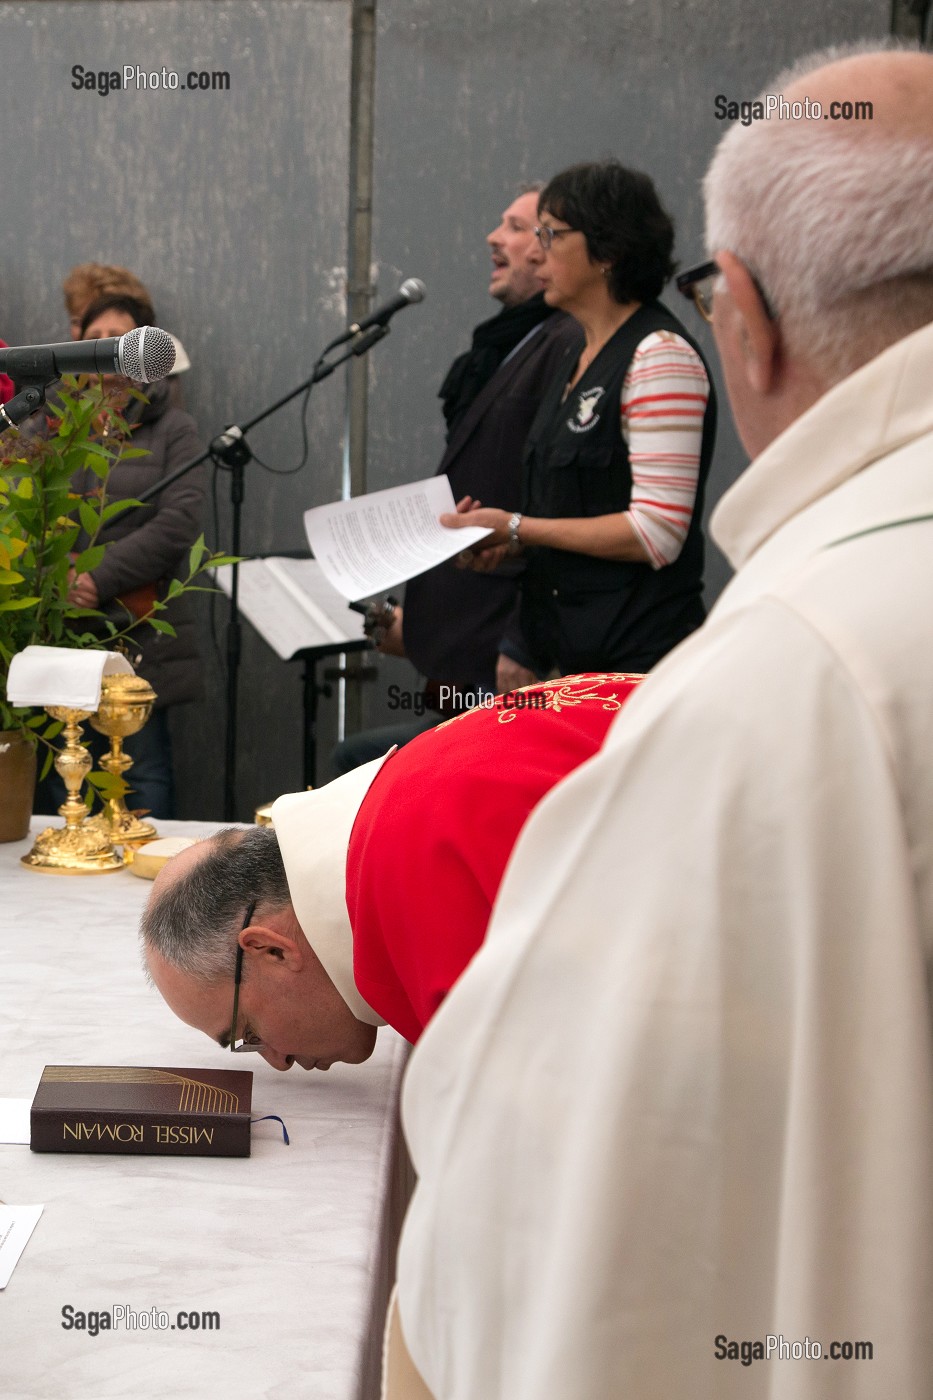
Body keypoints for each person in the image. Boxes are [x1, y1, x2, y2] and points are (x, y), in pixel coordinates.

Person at [388, 46, 933, 1400]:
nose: (521, 243)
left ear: (738, 318)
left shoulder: (784, 684)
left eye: (546, 228)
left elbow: (589, 1188)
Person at [141, 673, 641, 1062]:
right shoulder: (398, 804)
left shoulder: (421, 900)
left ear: (271, 949)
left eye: (248, 1033)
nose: (277, 1061)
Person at [332, 187, 581, 774]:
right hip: (459, 647)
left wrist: (520, 641)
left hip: (501, 652)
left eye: (518, 227)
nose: (495, 238)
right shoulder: (512, 342)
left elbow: (543, 501)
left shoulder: (566, 342)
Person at [443, 160, 716, 676]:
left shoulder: (660, 356)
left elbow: (656, 533)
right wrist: (505, 541)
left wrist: (519, 527)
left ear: (609, 251)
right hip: (570, 660)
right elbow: (573, 509)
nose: (537, 250)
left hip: (637, 669)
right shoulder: (577, 353)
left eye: (551, 233)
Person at [47, 292, 206, 817]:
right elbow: (27, 510)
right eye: (94, 341)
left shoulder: (172, 428)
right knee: (63, 772)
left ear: (142, 351)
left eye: (118, 340)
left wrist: (99, 577)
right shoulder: (49, 426)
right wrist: (56, 579)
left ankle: (156, 893)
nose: (105, 351)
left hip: (135, 631)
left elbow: (179, 520)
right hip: (60, 631)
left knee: (143, 771)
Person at [62, 261, 191, 398]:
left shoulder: (160, 364)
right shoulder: (62, 378)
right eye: (76, 322)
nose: (84, 331)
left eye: (93, 317)